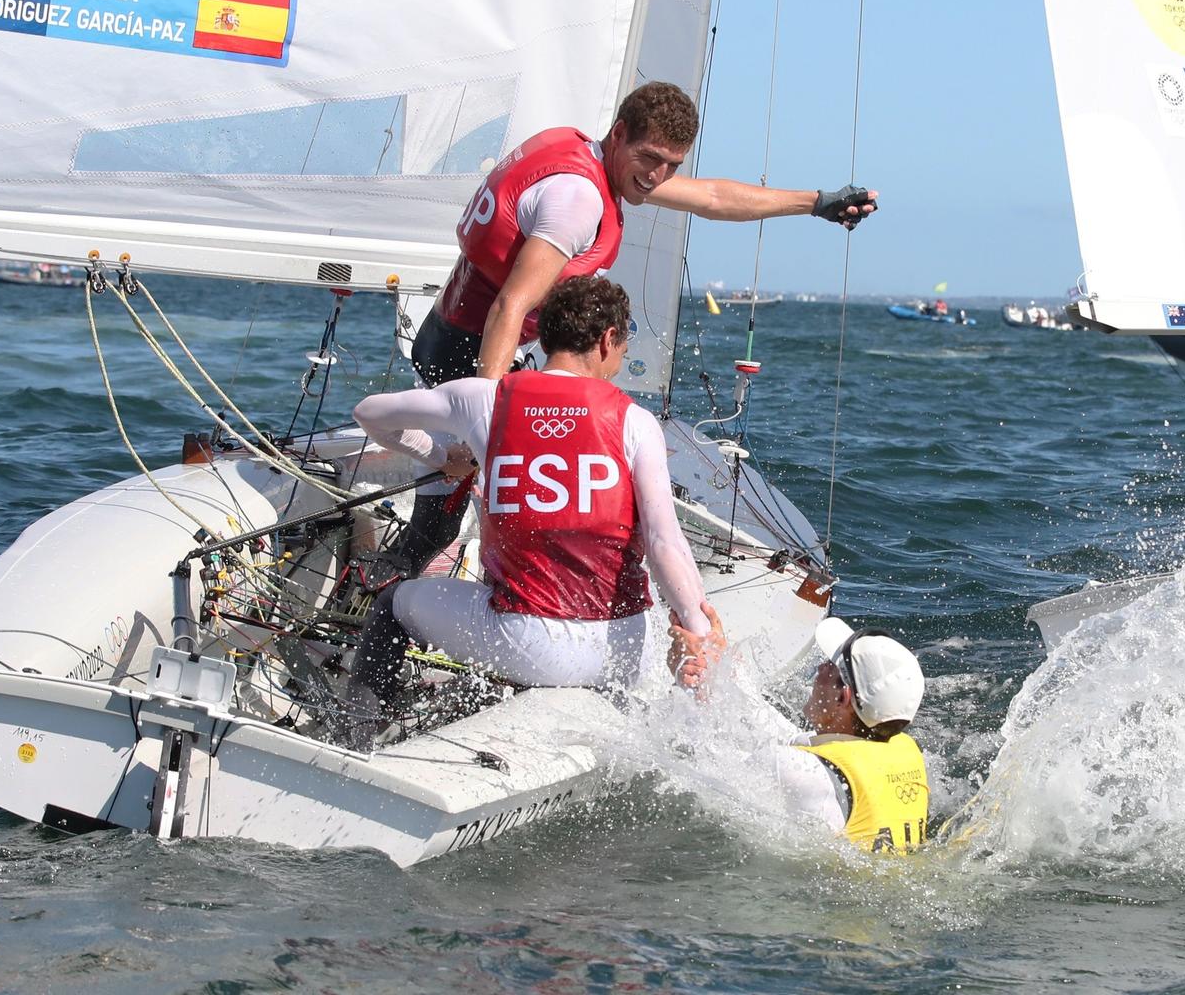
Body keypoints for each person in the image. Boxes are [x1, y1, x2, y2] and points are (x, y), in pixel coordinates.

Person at [384, 80, 879, 575]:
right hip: (468, 357)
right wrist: (484, 421)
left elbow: (712, 196)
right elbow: (510, 305)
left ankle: (396, 599)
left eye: (673, 166)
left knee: (446, 519)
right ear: (619, 134)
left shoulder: (591, 157)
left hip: (458, 341)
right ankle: (388, 614)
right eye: (651, 158)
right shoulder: (577, 201)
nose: (658, 176)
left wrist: (817, 202)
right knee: (446, 523)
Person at [344, 276, 724, 733]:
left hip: (527, 644)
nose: (621, 357)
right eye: (624, 344)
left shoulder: (483, 398)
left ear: (543, 335)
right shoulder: (636, 422)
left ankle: (354, 736)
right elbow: (666, 543)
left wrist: (443, 458)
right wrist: (698, 634)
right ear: (607, 340)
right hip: (623, 649)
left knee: (393, 604)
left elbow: (369, 414)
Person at [757, 617, 930, 853]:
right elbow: (781, 734)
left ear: (842, 699)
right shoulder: (903, 750)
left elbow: (707, 763)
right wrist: (722, 670)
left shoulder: (799, 769)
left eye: (830, 665)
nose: (819, 669)